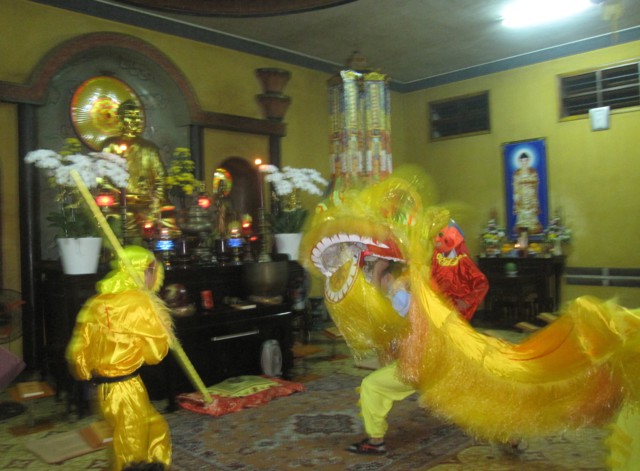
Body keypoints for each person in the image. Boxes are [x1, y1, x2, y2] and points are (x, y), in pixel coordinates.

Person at [347, 223, 488, 455]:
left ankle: (375, 441)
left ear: (388, 276)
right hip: (434, 358)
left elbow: (403, 317)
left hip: (424, 361)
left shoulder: (400, 294)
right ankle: (508, 434)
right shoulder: (405, 289)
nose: (371, 281)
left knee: (372, 386)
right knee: (467, 394)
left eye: (375, 275)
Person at [66, 246, 172, 471]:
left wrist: (86, 372)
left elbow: (78, 349)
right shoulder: (138, 302)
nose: (154, 277)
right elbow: (155, 354)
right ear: (142, 270)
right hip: (126, 388)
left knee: (154, 428)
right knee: (131, 449)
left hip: (103, 390)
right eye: (151, 271)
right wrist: (164, 329)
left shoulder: (97, 301)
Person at [101, 100, 171, 243]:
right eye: (130, 116)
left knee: (167, 222)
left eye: (137, 117)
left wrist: (156, 200)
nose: (135, 120)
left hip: (146, 201)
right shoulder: (110, 146)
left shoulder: (148, 148)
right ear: (120, 119)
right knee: (120, 221)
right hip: (119, 203)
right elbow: (101, 176)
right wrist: (117, 194)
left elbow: (161, 177)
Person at [512, 152, 542, 234]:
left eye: (526, 160)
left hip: (531, 195)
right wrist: (517, 196)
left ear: (528, 161)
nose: (524, 163)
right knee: (521, 213)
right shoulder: (517, 173)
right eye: (522, 161)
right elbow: (515, 185)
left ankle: (533, 227)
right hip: (521, 195)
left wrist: (529, 184)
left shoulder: (532, 171)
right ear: (520, 161)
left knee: (532, 211)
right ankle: (522, 229)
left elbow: (535, 182)